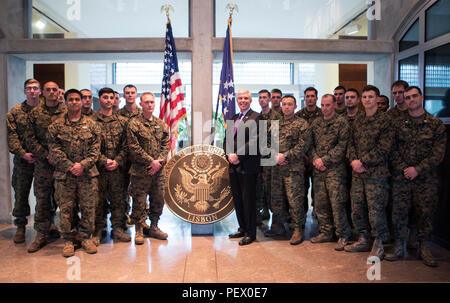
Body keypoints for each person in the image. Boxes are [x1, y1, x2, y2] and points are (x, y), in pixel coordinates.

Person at [386, 86, 446, 267]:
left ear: (421, 97)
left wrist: (417, 169)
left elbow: (438, 154)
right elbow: (392, 150)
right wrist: (405, 168)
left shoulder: (435, 124)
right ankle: (398, 246)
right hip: (402, 177)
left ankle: (424, 247)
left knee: (425, 214)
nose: (411, 99)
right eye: (408, 97)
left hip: (426, 180)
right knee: (399, 213)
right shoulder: (397, 124)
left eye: (414, 96)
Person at [48, 89, 101, 257]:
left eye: (77, 99)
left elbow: (95, 150)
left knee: (88, 208)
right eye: (70, 99)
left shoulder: (93, 125)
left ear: (82, 101)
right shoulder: (55, 126)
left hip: (87, 175)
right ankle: (68, 240)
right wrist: (71, 166)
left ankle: (86, 238)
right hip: (65, 176)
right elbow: (54, 151)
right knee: (66, 209)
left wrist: (83, 165)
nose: (74, 102)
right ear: (65, 101)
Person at [344, 85, 393, 260]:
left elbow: (384, 148)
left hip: (376, 174)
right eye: (364, 97)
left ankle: (378, 243)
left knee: (376, 210)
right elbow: (350, 144)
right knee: (357, 208)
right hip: (358, 174)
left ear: (377, 99)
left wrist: (363, 162)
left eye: (370, 97)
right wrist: (353, 161)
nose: (367, 100)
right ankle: (363, 239)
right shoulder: (358, 120)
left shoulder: (386, 121)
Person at [26, 81, 66, 253]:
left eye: (54, 90)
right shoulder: (34, 114)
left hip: (63, 165)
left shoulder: (66, 112)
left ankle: (69, 235)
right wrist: (46, 155)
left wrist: (58, 156)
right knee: (42, 200)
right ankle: (41, 234)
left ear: (59, 93)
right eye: (48, 90)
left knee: (65, 201)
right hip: (43, 165)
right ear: (43, 93)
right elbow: (29, 139)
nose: (51, 92)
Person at [309, 94, 351, 250]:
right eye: (323, 105)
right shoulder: (316, 123)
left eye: (328, 105)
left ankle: (343, 235)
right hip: (318, 171)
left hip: (335, 171)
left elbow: (342, 147)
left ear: (334, 105)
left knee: (337, 204)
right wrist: (315, 159)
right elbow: (310, 145)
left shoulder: (342, 123)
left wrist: (324, 160)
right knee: (321, 204)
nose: (325, 108)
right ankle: (326, 232)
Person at [127, 92, 170, 245]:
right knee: (139, 200)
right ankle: (139, 229)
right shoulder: (134, 123)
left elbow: (166, 145)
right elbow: (133, 146)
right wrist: (151, 161)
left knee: (158, 199)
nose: (150, 105)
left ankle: (154, 226)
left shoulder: (162, 124)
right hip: (140, 171)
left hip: (158, 172)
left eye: (152, 102)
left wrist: (159, 162)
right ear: (141, 104)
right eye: (146, 102)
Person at [269, 95, 311, 245]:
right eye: (284, 104)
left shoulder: (302, 124)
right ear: (281, 106)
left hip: (293, 169)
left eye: (290, 104)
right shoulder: (275, 124)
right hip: (277, 168)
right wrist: (275, 155)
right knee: (277, 199)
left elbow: (303, 146)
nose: (286, 107)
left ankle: (297, 229)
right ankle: (278, 226)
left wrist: (285, 155)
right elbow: (268, 144)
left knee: (295, 200)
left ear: (295, 107)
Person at [91, 87, 130, 245]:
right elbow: (89, 146)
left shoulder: (123, 122)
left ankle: (118, 229)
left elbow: (127, 145)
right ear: (99, 99)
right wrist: (103, 160)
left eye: (111, 98)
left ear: (114, 100)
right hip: (98, 169)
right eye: (105, 97)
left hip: (117, 170)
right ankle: (98, 230)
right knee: (97, 200)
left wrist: (117, 161)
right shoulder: (90, 121)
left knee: (118, 200)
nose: (108, 100)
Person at [6, 79, 41, 243]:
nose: (32, 91)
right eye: (29, 88)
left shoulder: (45, 111)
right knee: (21, 194)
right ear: (25, 91)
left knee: (45, 195)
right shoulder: (15, 112)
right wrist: (23, 153)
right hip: (23, 161)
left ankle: (45, 226)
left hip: (43, 162)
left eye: (35, 88)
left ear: (40, 91)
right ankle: (20, 226)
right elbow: (12, 137)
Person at [225, 89, 260, 246]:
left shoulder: (257, 117)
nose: (243, 100)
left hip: (248, 166)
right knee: (238, 199)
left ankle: (251, 233)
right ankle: (242, 228)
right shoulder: (232, 118)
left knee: (248, 200)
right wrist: (229, 155)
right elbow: (227, 139)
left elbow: (255, 141)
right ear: (237, 101)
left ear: (250, 100)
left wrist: (237, 155)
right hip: (233, 166)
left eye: (246, 98)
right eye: (240, 98)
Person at [117, 85, 144, 229]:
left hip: (139, 160)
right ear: (123, 95)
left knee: (140, 192)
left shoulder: (142, 114)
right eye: (127, 93)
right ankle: (125, 218)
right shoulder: (118, 115)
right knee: (122, 191)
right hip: (122, 160)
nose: (130, 95)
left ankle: (141, 221)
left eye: (132, 92)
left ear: (136, 95)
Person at [295, 87, 323, 217]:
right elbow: (295, 139)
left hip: (319, 159)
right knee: (302, 188)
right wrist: (304, 156)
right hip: (302, 159)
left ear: (316, 98)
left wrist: (315, 157)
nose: (310, 98)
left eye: (312, 96)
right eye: (307, 96)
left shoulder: (323, 114)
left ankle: (317, 211)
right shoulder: (298, 116)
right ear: (304, 98)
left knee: (318, 189)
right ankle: (303, 214)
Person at [256, 89, 281, 226]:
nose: (262, 100)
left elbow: (277, 139)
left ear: (269, 99)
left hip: (271, 160)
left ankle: (278, 222)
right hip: (258, 160)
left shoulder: (276, 117)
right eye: (260, 97)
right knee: (260, 188)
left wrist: (266, 150)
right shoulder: (257, 117)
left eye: (265, 97)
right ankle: (263, 212)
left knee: (273, 191)